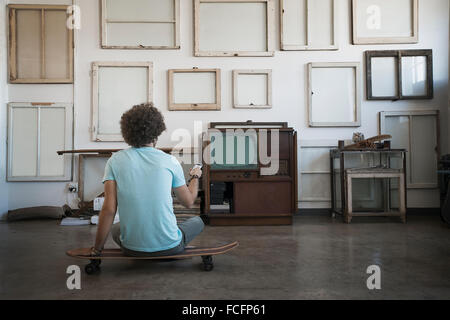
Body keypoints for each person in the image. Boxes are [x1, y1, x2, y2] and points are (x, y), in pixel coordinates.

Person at [89, 103, 204, 257]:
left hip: (131, 249)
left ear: (127, 132)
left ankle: (140, 244)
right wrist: (195, 176)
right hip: (170, 247)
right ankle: (169, 242)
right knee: (197, 221)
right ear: (157, 132)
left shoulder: (114, 161)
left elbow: (109, 209)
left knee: (117, 228)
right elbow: (188, 202)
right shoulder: (170, 161)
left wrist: (97, 249)